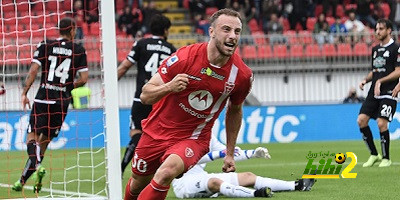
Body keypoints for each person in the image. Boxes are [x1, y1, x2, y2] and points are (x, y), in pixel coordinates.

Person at [124, 8, 254, 200]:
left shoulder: (242, 75)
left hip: (194, 138)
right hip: (156, 131)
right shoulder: (186, 57)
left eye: (237, 31)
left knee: (166, 173)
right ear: (211, 31)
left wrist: (229, 153)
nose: (232, 36)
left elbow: (235, 111)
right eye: (226, 29)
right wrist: (169, 87)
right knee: (137, 183)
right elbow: (145, 95)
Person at [12, 17, 88, 193]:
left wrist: (24, 93)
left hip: (43, 98)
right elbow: (83, 80)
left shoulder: (46, 44)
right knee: (43, 144)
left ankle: (37, 168)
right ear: (72, 30)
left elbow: (33, 70)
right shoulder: (79, 50)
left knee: (31, 138)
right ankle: (22, 181)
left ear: (59, 30)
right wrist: (68, 86)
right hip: (61, 102)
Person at [117, 14, 176, 177]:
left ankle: (121, 167)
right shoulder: (171, 49)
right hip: (161, 99)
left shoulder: (141, 44)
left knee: (136, 133)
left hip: (142, 97)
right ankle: (156, 170)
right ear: (165, 30)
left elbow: (124, 67)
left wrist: (109, 85)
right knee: (157, 137)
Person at [172, 136, 316, 198]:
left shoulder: (208, 135)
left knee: (248, 176)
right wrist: (219, 154)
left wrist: (253, 153)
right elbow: (187, 160)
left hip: (201, 176)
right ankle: (256, 194)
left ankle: (297, 185)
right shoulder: (178, 134)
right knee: (215, 183)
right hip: (183, 183)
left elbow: (229, 153)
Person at [358, 19, 400, 168]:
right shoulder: (375, 49)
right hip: (374, 91)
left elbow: (398, 71)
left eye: (381, 29)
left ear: (389, 30)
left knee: (381, 123)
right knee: (361, 120)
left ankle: (386, 158)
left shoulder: (397, 48)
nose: (377, 32)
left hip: (389, 91)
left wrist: (381, 81)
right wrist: (365, 80)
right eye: (376, 29)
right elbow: (375, 71)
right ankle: (374, 154)